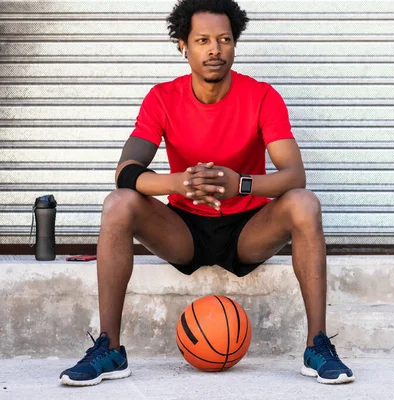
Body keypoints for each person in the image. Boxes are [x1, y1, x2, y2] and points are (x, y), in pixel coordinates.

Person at [59, 0, 354, 386]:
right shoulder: (163, 97)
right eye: (202, 40)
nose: (215, 49)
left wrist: (240, 184)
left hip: (248, 230)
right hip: (184, 230)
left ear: (234, 45)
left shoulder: (262, 96)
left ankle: (317, 346)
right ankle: (109, 349)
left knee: (305, 203)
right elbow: (126, 172)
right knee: (119, 204)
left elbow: (293, 175)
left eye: (224, 39)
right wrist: (178, 182)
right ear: (183, 45)